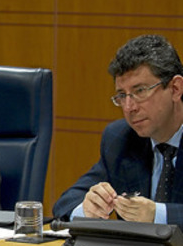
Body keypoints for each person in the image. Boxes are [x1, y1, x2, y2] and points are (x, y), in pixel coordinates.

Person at [53, 34, 183, 230]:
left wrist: (158, 215)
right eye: (122, 95)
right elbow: (66, 203)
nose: (129, 107)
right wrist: (87, 209)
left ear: (175, 89)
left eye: (140, 91)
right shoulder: (121, 138)